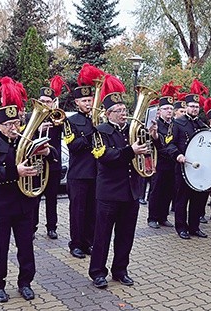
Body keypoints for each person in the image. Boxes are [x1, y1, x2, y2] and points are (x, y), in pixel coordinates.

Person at [0, 83, 59, 302]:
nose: (13, 128)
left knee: (26, 247)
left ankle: (25, 283)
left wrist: (46, 151)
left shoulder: (27, 141)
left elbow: (52, 159)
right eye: (7, 124)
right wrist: (17, 171)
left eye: (16, 123)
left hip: (25, 203)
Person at [88, 75, 152, 289]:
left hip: (131, 192)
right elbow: (105, 156)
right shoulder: (99, 132)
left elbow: (146, 155)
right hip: (109, 193)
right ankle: (97, 272)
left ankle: (120, 270)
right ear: (108, 114)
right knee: (102, 235)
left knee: (126, 235)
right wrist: (130, 151)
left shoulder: (134, 131)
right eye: (119, 111)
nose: (124, 114)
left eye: (125, 110)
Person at [165, 81, 209, 240]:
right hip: (183, 167)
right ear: (186, 107)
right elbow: (169, 143)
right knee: (182, 198)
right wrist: (177, 155)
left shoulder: (202, 125)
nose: (194, 109)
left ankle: (194, 227)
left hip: (198, 168)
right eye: (191, 106)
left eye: (197, 106)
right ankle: (181, 227)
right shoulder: (177, 123)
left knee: (197, 199)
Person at [65, 84, 97, 258]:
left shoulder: (97, 118)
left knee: (92, 210)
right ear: (77, 102)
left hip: (96, 173)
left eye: (89, 100)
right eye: (84, 100)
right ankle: (75, 244)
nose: (88, 103)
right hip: (79, 174)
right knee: (78, 211)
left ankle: (88, 242)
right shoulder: (70, 121)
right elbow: (73, 146)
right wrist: (92, 133)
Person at [32, 78, 66, 240]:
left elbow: (66, 130)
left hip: (52, 163)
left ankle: (52, 227)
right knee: (34, 197)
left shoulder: (58, 118)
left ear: (53, 103)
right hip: (36, 163)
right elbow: (25, 138)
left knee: (52, 198)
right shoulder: (30, 118)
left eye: (48, 101)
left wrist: (56, 117)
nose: (45, 103)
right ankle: (32, 227)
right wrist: (37, 129)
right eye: (42, 101)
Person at [147, 83, 177, 229]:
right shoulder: (155, 123)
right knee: (156, 190)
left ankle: (163, 217)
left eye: (171, 109)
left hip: (172, 163)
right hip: (158, 162)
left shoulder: (175, 124)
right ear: (159, 111)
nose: (169, 111)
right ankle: (152, 217)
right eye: (166, 109)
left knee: (168, 190)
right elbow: (153, 142)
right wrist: (155, 135)